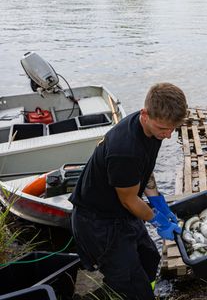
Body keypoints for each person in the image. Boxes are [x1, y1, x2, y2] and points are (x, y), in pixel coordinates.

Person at [70, 83, 188, 299]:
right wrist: (158, 221)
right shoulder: (125, 150)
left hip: (122, 212)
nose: (169, 135)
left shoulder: (153, 128)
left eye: (173, 128)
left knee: (149, 258)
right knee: (132, 284)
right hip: (99, 222)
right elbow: (129, 200)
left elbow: (145, 171)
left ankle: (136, 291)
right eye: (164, 129)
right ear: (145, 114)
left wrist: (157, 201)